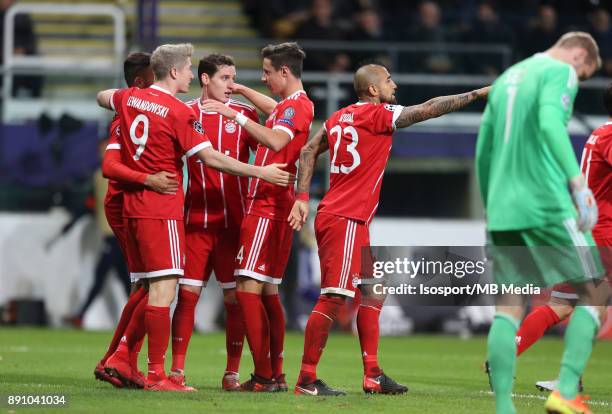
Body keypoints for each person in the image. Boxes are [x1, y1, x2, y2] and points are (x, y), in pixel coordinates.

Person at [96, 43, 294, 392]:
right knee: (167, 290)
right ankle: (161, 372)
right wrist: (261, 174)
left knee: (152, 287)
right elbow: (212, 158)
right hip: (176, 213)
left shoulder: (131, 100)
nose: (231, 84)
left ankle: (124, 358)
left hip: (201, 216)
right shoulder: (181, 111)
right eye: (188, 69)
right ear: (182, 73)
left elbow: (103, 96)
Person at [287, 63, 489, 395]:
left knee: (374, 290)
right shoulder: (377, 115)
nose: (393, 84)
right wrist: (477, 94)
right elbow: (427, 109)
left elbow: (309, 151)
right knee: (334, 296)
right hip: (346, 218)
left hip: (350, 219)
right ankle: (306, 379)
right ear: (372, 90)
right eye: (388, 80)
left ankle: (373, 375)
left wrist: (303, 197)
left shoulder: (338, 118)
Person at [475, 32, 605, 413]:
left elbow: (484, 150)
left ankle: (503, 408)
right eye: (584, 73)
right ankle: (566, 391)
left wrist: (489, 207)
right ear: (580, 53)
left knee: (508, 309)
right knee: (596, 290)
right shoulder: (560, 71)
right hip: (546, 202)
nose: (577, 80)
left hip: (502, 209)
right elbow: (550, 122)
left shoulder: (506, 78)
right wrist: (576, 182)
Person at [201, 42, 314, 392]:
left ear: (284, 72)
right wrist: (240, 91)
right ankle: (276, 372)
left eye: (266, 72)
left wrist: (230, 113)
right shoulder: (292, 105)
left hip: (266, 205)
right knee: (268, 292)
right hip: (274, 205)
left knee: (247, 288)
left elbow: (276, 141)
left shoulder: (296, 108)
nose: (263, 78)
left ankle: (264, 374)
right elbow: (274, 110)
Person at [505, 83, 612, 394]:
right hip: (603, 233)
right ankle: (568, 378)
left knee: (563, 304)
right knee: (590, 303)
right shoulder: (608, 135)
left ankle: (507, 354)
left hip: (593, 231)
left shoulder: (602, 133)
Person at [168, 53, 259, 391]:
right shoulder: (185, 112)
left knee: (234, 300)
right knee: (187, 295)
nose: (231, 86)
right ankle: (177, 371)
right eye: (225, 78)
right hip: (196, 221)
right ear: (205, 79)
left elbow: (268, 145)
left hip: (235, 223)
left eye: (234, 78)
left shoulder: (244, 115)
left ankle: (232, 372)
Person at [90, 52, 180, 389]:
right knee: (154, 283)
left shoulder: (130, 108)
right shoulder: (122, 119)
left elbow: (102, 95)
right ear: (141, 83)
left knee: (145, 286)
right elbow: (109, 168)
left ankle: (115, 358)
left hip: (131, 201)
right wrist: (148, 179)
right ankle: (120, 358)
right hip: (131, 201)